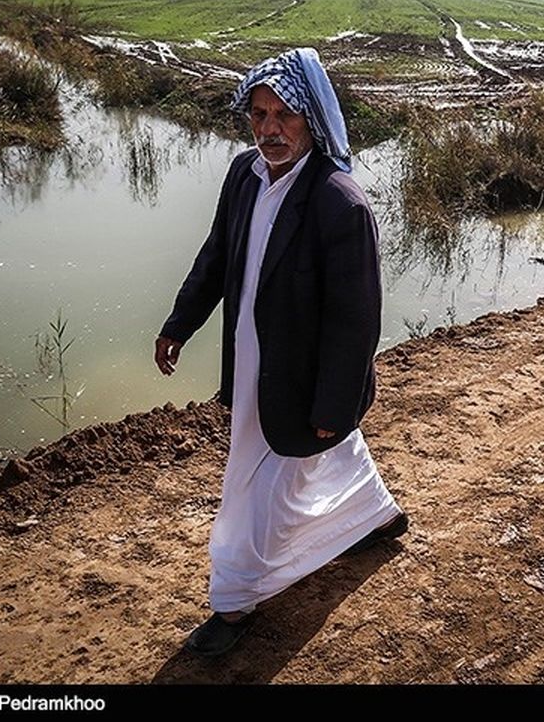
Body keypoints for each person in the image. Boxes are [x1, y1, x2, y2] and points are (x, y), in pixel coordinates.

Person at [154, 48, 407, 657]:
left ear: (312, 120)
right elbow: (217, 255)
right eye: (259, 115)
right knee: (316, 453)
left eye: (284, 115)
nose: (269, 129)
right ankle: (377, 515)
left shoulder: (339, 204)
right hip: (250, 364)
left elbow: (355, 322)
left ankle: (235, 602)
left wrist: (336, 404)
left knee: (253, 481)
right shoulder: (244, 174)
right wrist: (179, 324)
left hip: (298, 375)